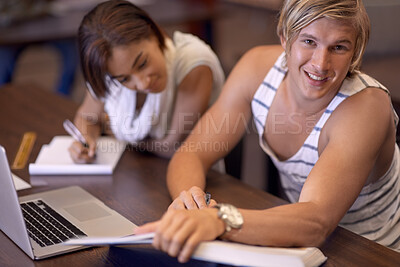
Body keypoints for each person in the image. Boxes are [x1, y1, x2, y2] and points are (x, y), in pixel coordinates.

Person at [134, 0, 400, 263]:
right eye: (309, 41)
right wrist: (189, 203)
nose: (321, 63)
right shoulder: (256, 69)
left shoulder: (366, 107)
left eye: (339, 47)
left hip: (372, 253)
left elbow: (316, 222)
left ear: (355, 53)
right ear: (285, 37)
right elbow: (193, 152)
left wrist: (220, 219)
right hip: (302, 246)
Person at [68, 0, 224, 163]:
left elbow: (173, 146)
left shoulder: (193, 64)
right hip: (138, 172)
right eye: (124, 79)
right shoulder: (109, 69)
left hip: (191, 175)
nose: (143, 84)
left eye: (142, 64)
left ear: (154, 33)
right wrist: (86, 141)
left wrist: (116, 133)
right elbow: (87, 117)